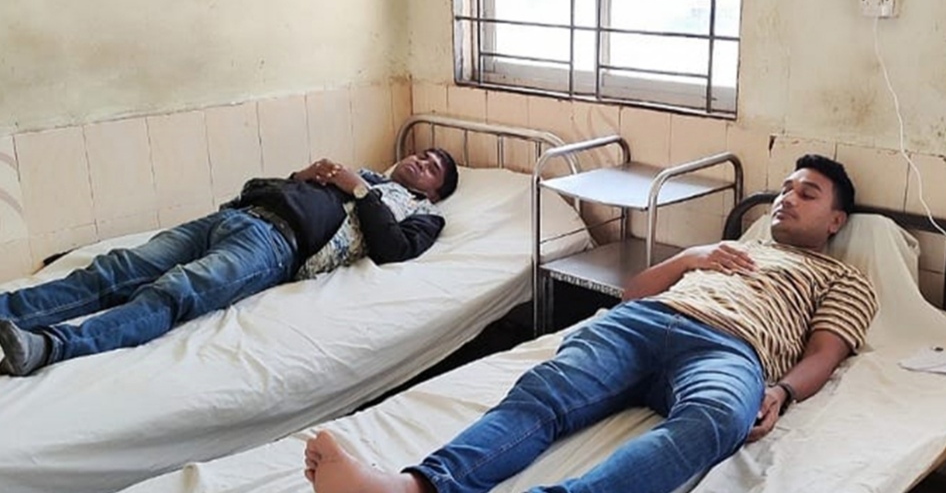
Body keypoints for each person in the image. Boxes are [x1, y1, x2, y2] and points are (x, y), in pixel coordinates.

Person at [302, 154, 878, 493]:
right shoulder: (727, 247)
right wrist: (690, 257)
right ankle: (416, 487)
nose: (786, 199)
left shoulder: (843, 278)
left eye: (807, 194)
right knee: (543, 393)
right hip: (646, 320)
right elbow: (632, 293)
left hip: (730, 351)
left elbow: (824, 353)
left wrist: (780, 392)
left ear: (836, 221)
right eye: (784, 189)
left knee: (718, 421)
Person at [0, 148, 459, 376]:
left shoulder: (421, 213)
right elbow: (270, 188)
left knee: (176, 290)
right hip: (236, 216)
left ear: (435, 191)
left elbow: (393, 249)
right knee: (115, 268)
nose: (421, 161)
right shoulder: (363, 171)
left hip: (275, 246)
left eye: (432, 167)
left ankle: (48, 347)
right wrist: (302, 176)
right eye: (421, 154)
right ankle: (8, 310)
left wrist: (357, 188)